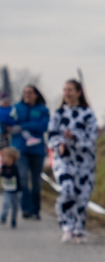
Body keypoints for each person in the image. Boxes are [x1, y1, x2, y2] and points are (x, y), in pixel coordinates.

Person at [48, 80, 97, 243]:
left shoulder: (88, 114)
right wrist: (60, 143)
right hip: (64, 161)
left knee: (82, 197)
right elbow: (51, 136)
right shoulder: (58, 114)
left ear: (78, 92)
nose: (67, 93)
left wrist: (74, 137)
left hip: (85, 163)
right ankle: (66, 225)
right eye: (64, 90)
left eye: (70, 90)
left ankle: (79, 229)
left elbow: (91, 139)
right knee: (67, 190)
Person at [1, 85, 49, 220]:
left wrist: (21, 127)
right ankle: (25, 208)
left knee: (36, 182)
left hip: (37, 150)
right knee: (22, 178)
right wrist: (5, 129)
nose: (27, 94)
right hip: (19, 150)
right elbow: (7, 122)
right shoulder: (15, 108)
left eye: (30, 92)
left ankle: (36, 210)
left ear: (36, 95)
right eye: (25, 92)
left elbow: (43, 126)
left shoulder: (43, 110)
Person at [1, 147, 22, 227]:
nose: (3, 158)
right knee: (6, 203)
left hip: (16, 191)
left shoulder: (15, 167)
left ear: (11, 158)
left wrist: (3, 173)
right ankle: (3, 217)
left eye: (4, 157)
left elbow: (10, 176)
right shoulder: (3, 167)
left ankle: (13, 220)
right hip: (7, 190)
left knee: (15, 207)